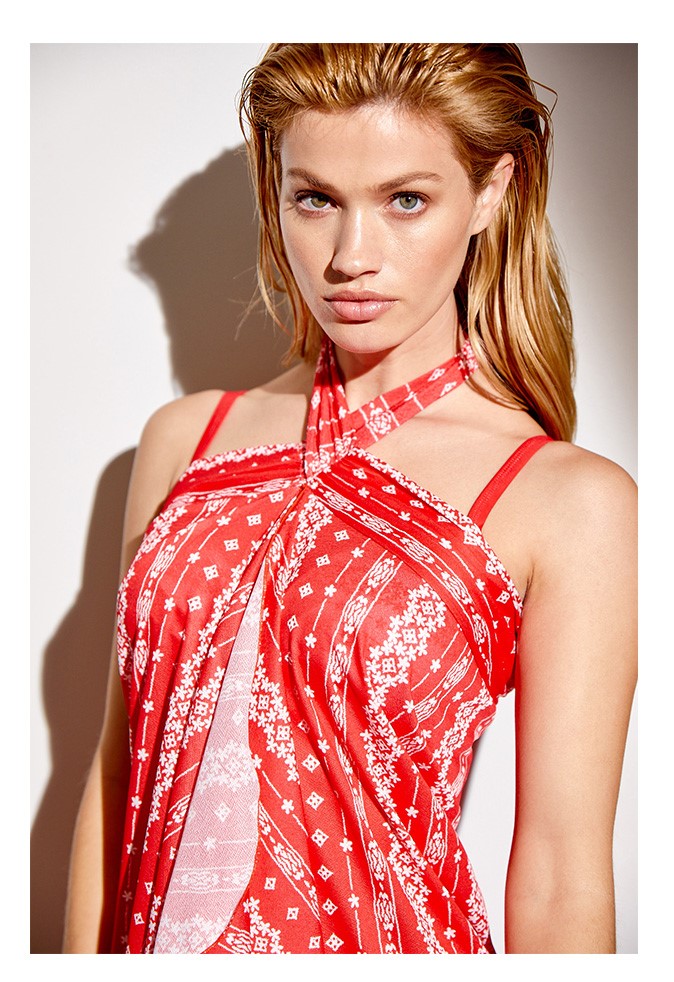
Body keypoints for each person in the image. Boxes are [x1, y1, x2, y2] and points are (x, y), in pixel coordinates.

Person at [62, 43, 637, 955]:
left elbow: (563, 873)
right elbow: (116, 771)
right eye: (316, 199)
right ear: (276, 195)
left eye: (406, 200)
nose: (350, 257)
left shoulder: (568, 500)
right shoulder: (186, 440)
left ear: (491, 193)